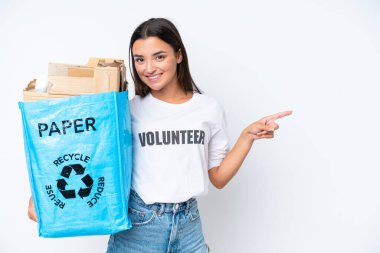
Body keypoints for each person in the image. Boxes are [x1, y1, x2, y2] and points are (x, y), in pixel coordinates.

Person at [28, 18, 292, 252]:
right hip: (139, 228)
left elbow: (219, 178)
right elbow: (85, 150)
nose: (148, 68)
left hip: (190, 227)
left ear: (178, 55)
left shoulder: (208, 108)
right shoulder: (127, 110)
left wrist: (247, 137)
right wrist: (41, 196)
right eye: (139, 59)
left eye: (159, 56)